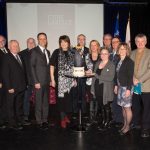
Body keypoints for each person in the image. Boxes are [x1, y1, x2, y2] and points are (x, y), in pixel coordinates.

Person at [50, 35, 75, 128]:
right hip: (59, 80)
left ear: (68, 42)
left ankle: (66, 116)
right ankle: (62, 119)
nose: (64, 44)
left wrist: (74, 79)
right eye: (62, 42)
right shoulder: (56, 52)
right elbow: (52, 66)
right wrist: (52, 79)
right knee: (61, 101)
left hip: (69, 81)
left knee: (68, 100)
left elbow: (74, 67)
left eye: (65, 42)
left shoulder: (72, 52)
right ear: (60, 43)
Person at [2, 40, 26, 130]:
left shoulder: (19, 56)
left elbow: (22, 72)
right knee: (10, 106)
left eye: (17, 45)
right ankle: (12, 123)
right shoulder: (6, 57)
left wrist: (25, 84)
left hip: (21, 87)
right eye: (13, 46)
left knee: (18, 105)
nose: (16, 47)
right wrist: (9, 87)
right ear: (9, 47)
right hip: (12, 87)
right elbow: (5, 74)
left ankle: (19, 120)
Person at [130, 34, 150, 138]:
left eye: (142, 41)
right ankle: (136, 123)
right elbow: (129, 68)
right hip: (134, 84)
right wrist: (133, 78)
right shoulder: (132, 53)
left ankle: (146, 128)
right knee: (136, 105)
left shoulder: (149, 53)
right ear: (135, 42)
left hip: (146, 85)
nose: (140, 43)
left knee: (147, 108)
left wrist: (139, 80)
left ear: (146, 42)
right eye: (138, 41)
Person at [91, 47, 115, 130]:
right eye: (102, 53)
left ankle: (107, 122)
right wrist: (92, 89)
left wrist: (96, 75)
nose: (103, 55)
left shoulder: (111, 64)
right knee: (101, 105)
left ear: (108, 55)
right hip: (97, 87)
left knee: (106, 105)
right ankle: (104, 120)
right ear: (100, 55)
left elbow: (110, 78)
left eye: (105, 53)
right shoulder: (97, 63)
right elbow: (93, 78)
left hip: (106, 88)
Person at [30, 33, 50, 130]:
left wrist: (50, 80)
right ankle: (39, 121)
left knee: (46, 102)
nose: (43, 40)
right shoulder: (34, 51)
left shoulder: (48, 52)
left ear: (46, 40)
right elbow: (32, 67)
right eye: (41, 39)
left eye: (44, 39)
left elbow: (48, 68)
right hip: (38, 82)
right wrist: (36, 81)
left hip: (46, 82)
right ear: (38, 40)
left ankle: (45, 119)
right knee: (38, 102)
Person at [114, 42, 134, 135]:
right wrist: (116, 85)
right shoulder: (118, 60)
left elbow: (130, 77)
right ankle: (125, 124)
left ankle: (127, 126)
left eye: (124, 48)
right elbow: (116, 75)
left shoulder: (129, 61)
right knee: (122, 107)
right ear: (118, 50)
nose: (122, 50)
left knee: (127, 108)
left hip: (126, 87)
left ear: (127, 50)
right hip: (120, 87)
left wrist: (129, 90)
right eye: (120, 48)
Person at [72, 34, 89, 117]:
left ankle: (84, 111)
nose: (81, 41)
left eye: (83, 39)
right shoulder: (73, 50)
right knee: (75, 94)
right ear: (77, 40)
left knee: (83, 94)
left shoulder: (88, 50)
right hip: (75, 76)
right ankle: (75, 111)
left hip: (84, 76)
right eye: (79, 39)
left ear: (85, 40)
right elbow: (71, 63)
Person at [20, 38, 36, 125]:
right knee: (26, 99)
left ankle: (37, 116)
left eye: (32, 42)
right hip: (27, 82)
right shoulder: (21, 54)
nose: (31, 44)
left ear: (35, 43)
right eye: (29, 42)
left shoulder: (39, 52)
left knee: (38, 100)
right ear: (26, 43)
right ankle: (25, 116)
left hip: (37, 81)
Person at [85, 40, 100, 123]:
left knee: (96, 98)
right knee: (91, 98)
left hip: (98, 81)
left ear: (98, 46)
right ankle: (91, 117)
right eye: (92, 45)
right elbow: (84, 67)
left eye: (95, 45)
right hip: (89, 81)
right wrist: (85, 71)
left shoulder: (102, 56)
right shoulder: (87, 56)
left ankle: (96, 116)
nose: (93, 47)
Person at [110, 36, 123, 127]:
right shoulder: (110, 55)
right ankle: (114, 118)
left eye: (116, 42)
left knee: (119, 101)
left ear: (120, 43)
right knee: (113, 101)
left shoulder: (122, 55)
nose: (114, 43)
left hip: (118, 82)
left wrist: (116, 84)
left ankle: (119, 120)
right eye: (113, 42)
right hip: (109, 82)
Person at [0, 35, 8, 129]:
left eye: (3, 40)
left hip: (7, 82)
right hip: (1, 82)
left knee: (6, 101)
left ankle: (5, 118)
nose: (1, 42)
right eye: (0, 41)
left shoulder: (7, 51)